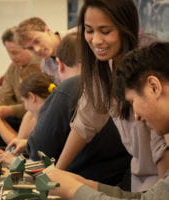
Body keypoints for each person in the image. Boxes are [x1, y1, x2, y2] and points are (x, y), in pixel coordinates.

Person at [56, 0, 169, 192]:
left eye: (106, 31)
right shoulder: (103, 66)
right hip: (140, 180)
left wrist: (162, 191)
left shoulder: (144, 63)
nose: (96, 40)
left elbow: (160, 144)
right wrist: (57, 173)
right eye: (89, 31)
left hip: (160, 180)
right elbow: (86, 121)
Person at [0, 33, 131, 187]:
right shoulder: (117, 87)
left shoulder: (68, 89)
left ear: (59, 64)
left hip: (76, 187)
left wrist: (14, 159)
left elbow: (40, 156)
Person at [16, 17, 77, 84]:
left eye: (37, 41)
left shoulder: (81, 35)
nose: (37, 49)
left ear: (48, 30)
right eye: (30, 48)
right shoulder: (45, 66)